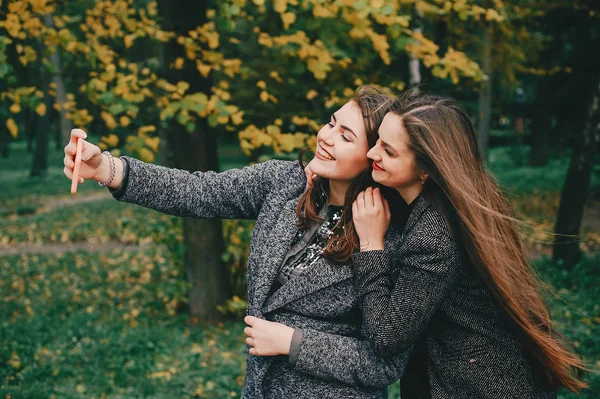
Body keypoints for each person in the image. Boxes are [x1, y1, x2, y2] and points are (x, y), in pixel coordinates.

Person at [63, 86, 409, 399]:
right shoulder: (286, 182)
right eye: (331, 123)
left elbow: (383, 364)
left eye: (346, 136)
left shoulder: (388, 237)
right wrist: (106, 168)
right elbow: (199, 191)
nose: (326, 136)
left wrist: (293, 343)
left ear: (375, 155)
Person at [349, 90, 587, 398]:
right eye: (378, 140)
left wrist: (371, 244)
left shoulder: (435, 236)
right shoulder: (458, 201)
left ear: (428, 169)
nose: (372, 153)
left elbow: (386, 336)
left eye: (389, 152)